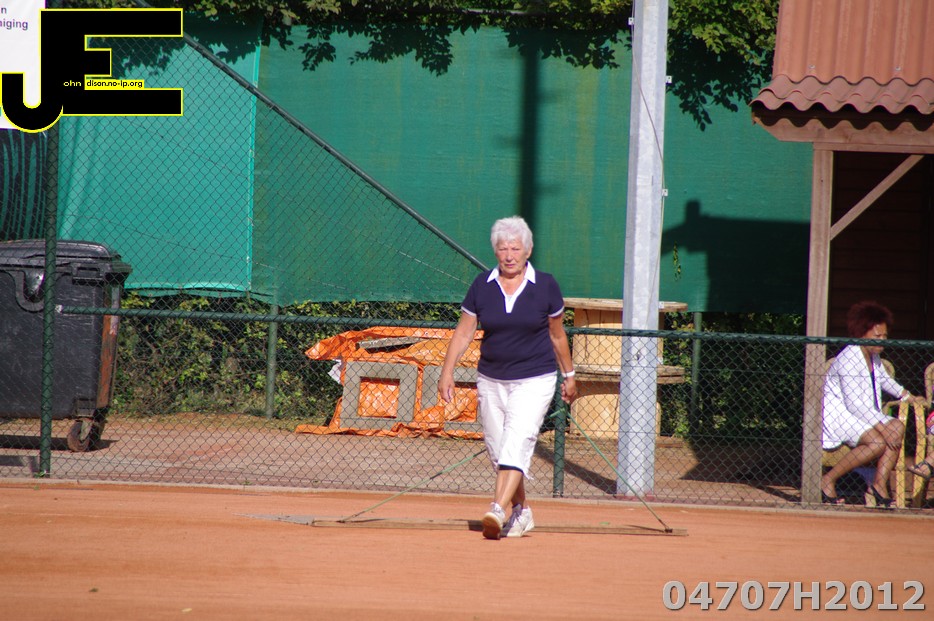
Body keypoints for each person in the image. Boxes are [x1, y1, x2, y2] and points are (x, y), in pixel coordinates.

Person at [439, 216, 577, 539]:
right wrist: (447, 371)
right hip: (491, 379)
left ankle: (498, 509)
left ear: (528, 251)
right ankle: (522, 511)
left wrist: (569, 375)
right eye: (503, 248)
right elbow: (464, 333)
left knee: (517, 442)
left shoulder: (546, 286)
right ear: (495, 251)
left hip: (535, 379)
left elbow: (557, 335)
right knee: (498, 449)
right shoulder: (481, 285)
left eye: (515, 248)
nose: (509, 255)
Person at [820, 301, 923, 508]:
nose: (882, 340)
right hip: (841, 416)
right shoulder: (848, 358)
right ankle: (828, 480)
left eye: (885, 336)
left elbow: (885, 380)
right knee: (877, 443)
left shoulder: (873, 356)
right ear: (861, 333)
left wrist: (908, 396)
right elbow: (854, 405)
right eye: (877, 336)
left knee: (897, 426)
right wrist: (882, 429)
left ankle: (878, 484)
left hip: (863, 415)